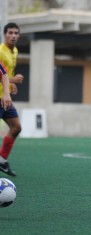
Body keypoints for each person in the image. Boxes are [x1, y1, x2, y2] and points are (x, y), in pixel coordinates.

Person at [0, 22, 24, 176]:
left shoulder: (14, 51)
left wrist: (10, 86)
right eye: (10, 33)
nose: (13, 36)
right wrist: (13, 80)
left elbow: (4, 73)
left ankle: (2, 160)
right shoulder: (1, 51)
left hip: (5, 98)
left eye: (16, 33)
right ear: (4, 34)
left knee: (16, 127)